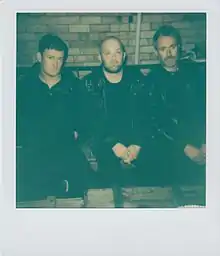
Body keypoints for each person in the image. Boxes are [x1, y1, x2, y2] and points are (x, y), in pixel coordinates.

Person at [16, 33, 92, 202]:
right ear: (38, 57)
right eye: (50, 57)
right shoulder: (23, 86)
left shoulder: (74, 86)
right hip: (33, 149)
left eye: (60, 59)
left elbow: (85, 120)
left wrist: (77, 132)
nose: (55, 64)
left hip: (64, 148)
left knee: (78, 186)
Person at [80, 36, 148, 189]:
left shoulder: (139, 80)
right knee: (109, 183)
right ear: (100, 57)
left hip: (136, 144)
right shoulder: (88, 84)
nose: (113, 58)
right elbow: (87, 123)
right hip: (104, 145)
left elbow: (147, 116)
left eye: (117, 53)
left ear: (124, 56)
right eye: (107, 53)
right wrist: (113, 144)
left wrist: (137, 143)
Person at [142, 25, 206, 186]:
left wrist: (206, 141)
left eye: (172, 47)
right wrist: (184, 147)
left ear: (179, 48)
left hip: (201, 143)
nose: (169, 53)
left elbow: (206, 109)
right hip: (169, 149)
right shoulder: (150, 82)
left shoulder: (195, 74)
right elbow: (156, 123)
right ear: (156, 52)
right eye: (163, 49)